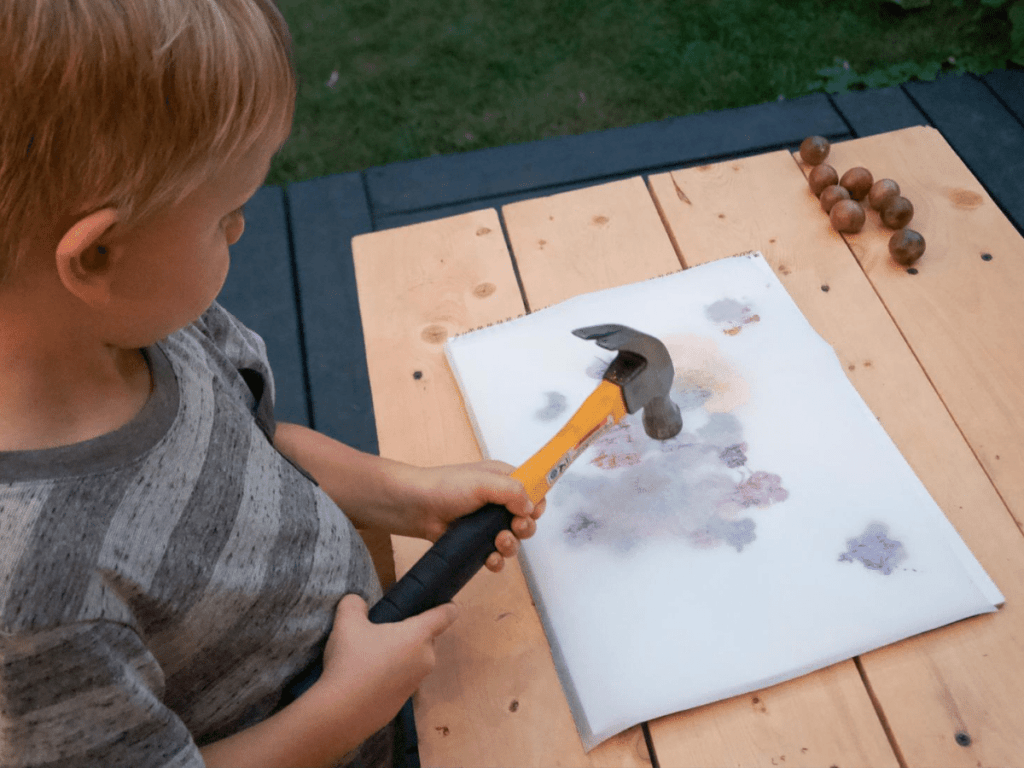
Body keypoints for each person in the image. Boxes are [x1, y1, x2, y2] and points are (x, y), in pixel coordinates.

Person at [0, 1, 541, 766]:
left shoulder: (146, 326)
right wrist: (343, 711)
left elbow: (253, 448)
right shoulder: (34, 604)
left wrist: (400, 492)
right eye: (226, 214)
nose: (241, 231)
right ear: (95, 258)